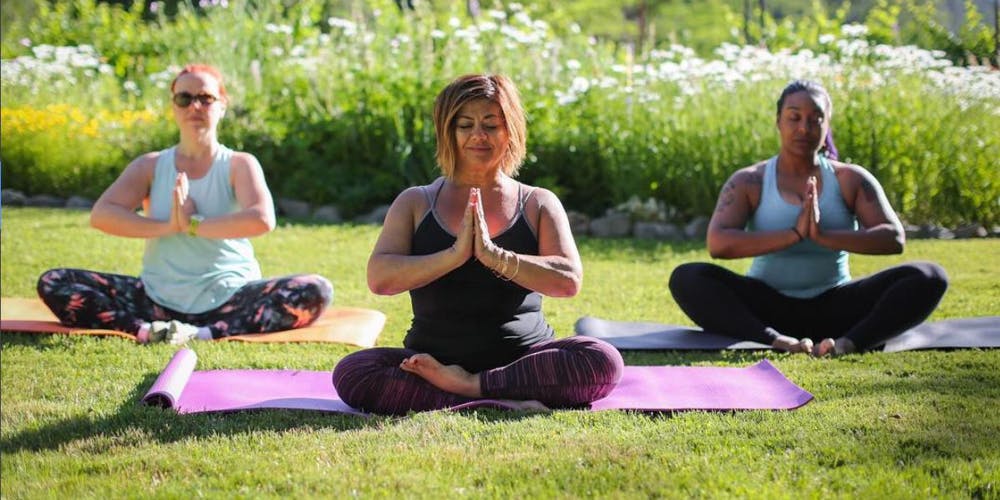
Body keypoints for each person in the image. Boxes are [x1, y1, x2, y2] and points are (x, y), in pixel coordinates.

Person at [332, 74, 623, 414]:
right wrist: (454, 255)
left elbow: (568, 280)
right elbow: (380, 279)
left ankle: (469, 388)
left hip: (523, 359)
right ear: (448, 132)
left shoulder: (538, 202)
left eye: (491, 125)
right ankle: (502, 395)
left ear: (510, 131)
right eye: (465, 125)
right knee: (354, 372)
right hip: (434, 362)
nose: (478, 135)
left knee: (601, 359)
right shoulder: (415, 202)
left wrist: (495, 256)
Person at [36, 64, 332, 344]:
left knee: (315, 289)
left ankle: (202, 333)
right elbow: (103, 214)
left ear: (222, 105)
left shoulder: (239, 164)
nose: (195, 107)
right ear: (174, 106)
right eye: (185, 98)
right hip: (154, 300)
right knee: (54, 281)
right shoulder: (150, 166)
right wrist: (169, 226)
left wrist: (192, 225)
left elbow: (262, 219)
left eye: (205, 98)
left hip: (230, 298)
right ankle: (145, 330)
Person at [669, 80, 948, 357]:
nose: (804, 128)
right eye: (794, 117)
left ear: (827, 125)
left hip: (836, 306)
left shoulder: (849, 178)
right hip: (766, 307)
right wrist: (794, 234)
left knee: (929, 277)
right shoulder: (749, 181)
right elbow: (718, 243)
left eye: (816, 119)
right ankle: (775, 340)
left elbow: (893, 238)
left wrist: (822, 236)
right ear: (778, 121)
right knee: (687, 277)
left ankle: (848, 343)